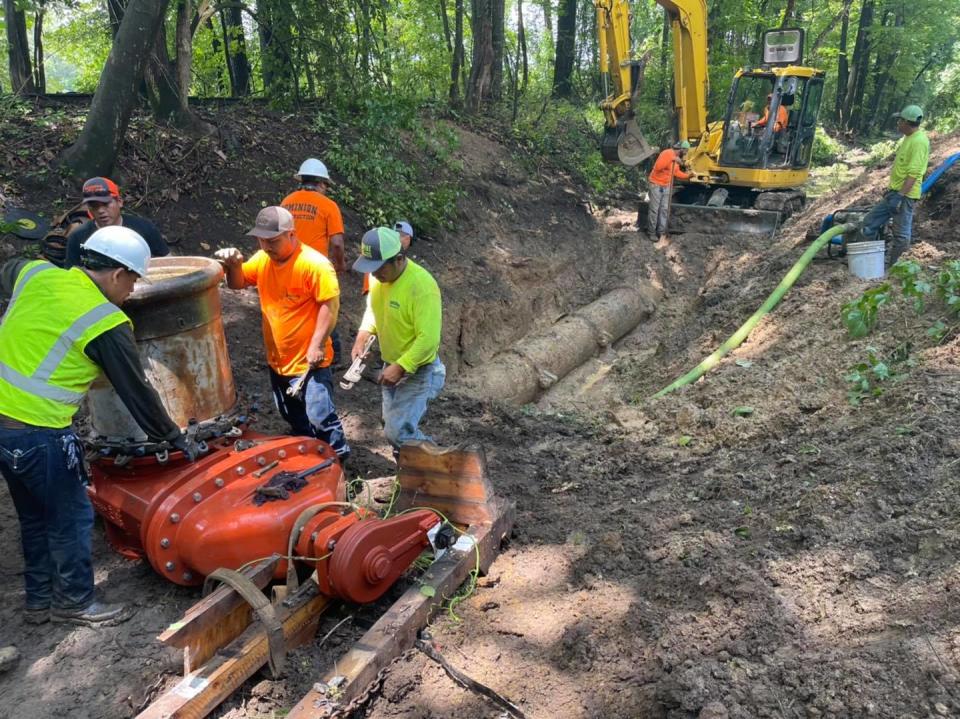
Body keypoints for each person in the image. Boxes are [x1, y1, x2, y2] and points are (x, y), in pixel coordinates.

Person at [0, 226, 193, 627]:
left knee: (33, 516)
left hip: (5, 430)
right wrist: (174, 439)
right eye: (134, 281)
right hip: (42, 434)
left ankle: (38, 602)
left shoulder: (36, 273)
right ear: (118, 274)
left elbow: (10, 266)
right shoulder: (104, 321)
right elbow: (137, 393)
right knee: (70, 518)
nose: (132, 291)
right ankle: (75, 602)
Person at [214, 207, 350, 461]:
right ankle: (310, 454)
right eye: (261, 240)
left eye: (272, 240)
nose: (266, 246)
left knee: (321, 417)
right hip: (278, 359)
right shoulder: (263, 259)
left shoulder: (314, 265)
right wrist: (233, 265)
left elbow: (329, 305)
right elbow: (237, 282)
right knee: (289, 413)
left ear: (291, 235)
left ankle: (338, 463)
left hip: (310, 362)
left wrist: (317, 345)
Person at [351, 227, 444, 458]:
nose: (373, 275)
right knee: (392, 426)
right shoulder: (378, 279)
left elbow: (429, 339)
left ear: (399, 259)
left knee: (398, 433)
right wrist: (363, 334)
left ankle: (446, 464)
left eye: (378, 268)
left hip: (418, 370)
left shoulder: (422, 286)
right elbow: (373, 310)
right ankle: (410, 475)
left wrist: (401, 366)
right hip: (391, 364)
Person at [857, 105, 930, 264]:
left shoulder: (919, 142)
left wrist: (900, 196)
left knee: (901, 234)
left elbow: (914, 173)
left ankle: (896, 268)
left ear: (906, 122)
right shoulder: (909, 138)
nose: (897, 123)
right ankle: (868, 259)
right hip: (895, 193)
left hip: (904, 195)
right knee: (870, 222)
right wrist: (892, 191)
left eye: (899, 120)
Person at [64, 177, 168, 269]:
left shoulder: (144, 228)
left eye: (105, 204)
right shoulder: (78, 237)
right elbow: (71, 276)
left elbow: (169, 262)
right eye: (94, 206)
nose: (100, 210)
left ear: (119, 201)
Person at [281, 159, 346, 272]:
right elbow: (337, 243)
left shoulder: (286, 202)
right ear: (321, 184)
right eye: (326, 186)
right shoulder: (329, 205)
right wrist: (340, 265)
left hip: (287, 266)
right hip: (314, 268)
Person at [647, 141, 692, 242]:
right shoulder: (667, 153)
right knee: (654, 209)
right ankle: (651, 232)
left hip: (666, 185)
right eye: (685, 151)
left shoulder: (676, 160)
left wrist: (688, 176)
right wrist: (672, 159)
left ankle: (661, 232)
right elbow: (658, 167)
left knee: (664, 209)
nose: (685, 154)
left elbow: (676, 172)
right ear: (681, 149)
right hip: (656, 184)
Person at [361, 220, 414, 296]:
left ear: (409, 239)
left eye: (401, 235)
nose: (398, 239)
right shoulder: (377, 257)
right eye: (395, 235)